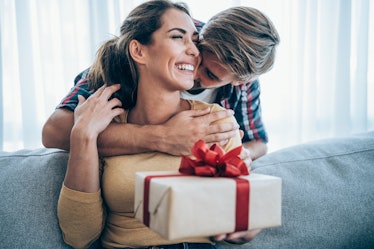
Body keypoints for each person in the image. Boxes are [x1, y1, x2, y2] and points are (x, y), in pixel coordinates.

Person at [57, 1, 260, 248]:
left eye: (195, 42)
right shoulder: (102, 120)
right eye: (178, 37)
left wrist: (247, 223)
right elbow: (79, 236)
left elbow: (240, 214)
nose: (195, 52)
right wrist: (84, 135)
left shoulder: (218, 121)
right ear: (139, 51)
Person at [42, 4, 280, 165]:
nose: (193, 64)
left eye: (209, 74)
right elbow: (55, 131)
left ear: (239, 81)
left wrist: (240, 154)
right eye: (199, 48)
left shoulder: (243, 83)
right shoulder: (159, 44)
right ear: (202, 32)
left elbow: (258, 141)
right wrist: (162, 136)